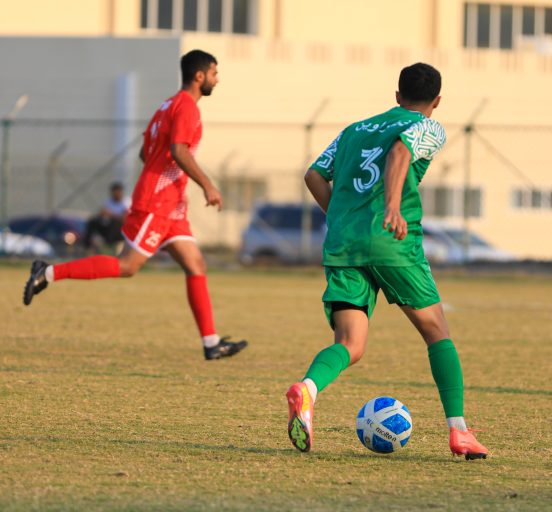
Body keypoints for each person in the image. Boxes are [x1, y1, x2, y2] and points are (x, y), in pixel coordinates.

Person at [285, 63, 488, 459]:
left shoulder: (354, 129)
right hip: (392, 241)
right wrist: (392, 207)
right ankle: (460, 432)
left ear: (397, 95)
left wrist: (343, 221)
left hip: (344, 244)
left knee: (350, 343)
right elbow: (400, 151)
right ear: (437, 101)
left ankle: (307, 389)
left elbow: (314, 175)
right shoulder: (428, 126)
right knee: (437, 332)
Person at [23, 49, 248, 361]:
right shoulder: (187, 107)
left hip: (171, 204)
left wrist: (166, 176)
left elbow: (146, 153)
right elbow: (179, 150)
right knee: (127, 266)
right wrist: (207, 184)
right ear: (200, 76)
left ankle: (211, 343)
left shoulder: (167, 105)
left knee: (195, 264)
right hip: (157, 202)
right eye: (214, 73)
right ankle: (47, 272)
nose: (217, 79)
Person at [82, 181, 130, 251]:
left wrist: (110, 214)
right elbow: (102, 213)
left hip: (120, 228)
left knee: (114, 223)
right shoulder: (108, 202)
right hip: (108, 225)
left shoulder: (126, 202)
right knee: (92, 221)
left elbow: (124, 218)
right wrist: (103, 214)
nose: (116, 194)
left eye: (118, 192)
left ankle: (108, 245)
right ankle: (87, 245)